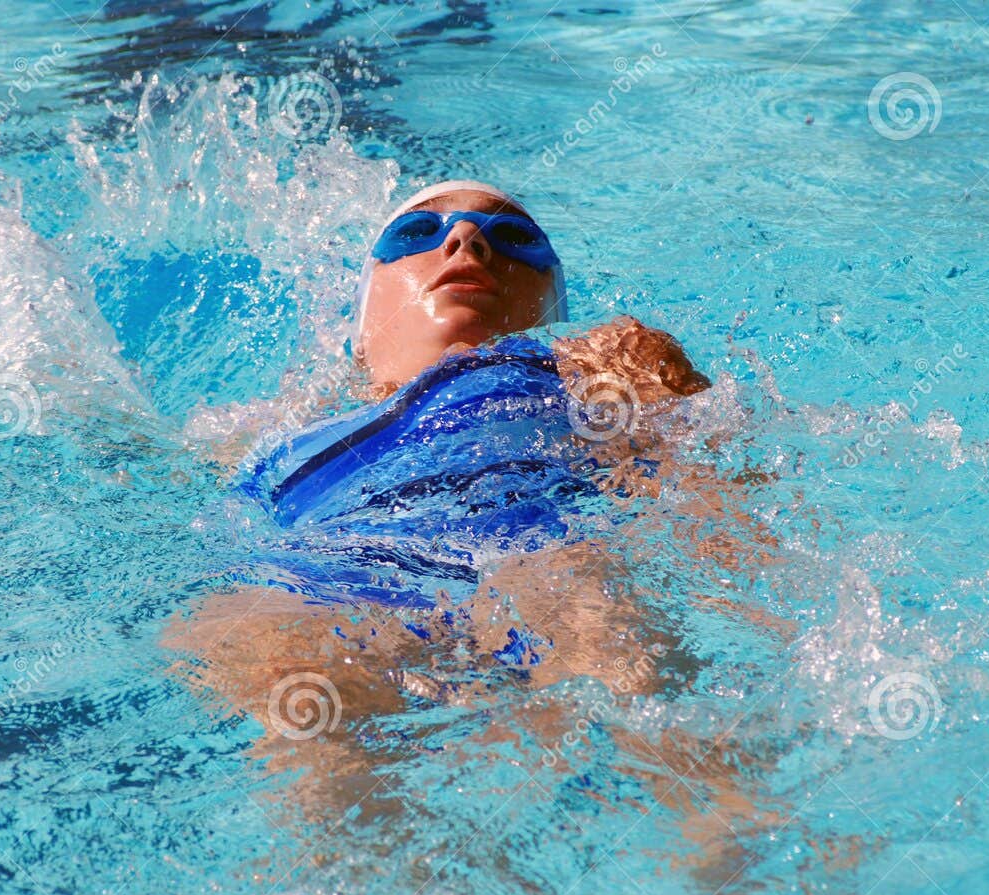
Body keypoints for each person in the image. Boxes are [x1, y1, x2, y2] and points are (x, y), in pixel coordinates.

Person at [164, 180, 764, 804]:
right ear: (360, 327)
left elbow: (704, 476)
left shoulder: (590, 362)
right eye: (416, 233)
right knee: (302, 723)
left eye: (515, 238)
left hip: (530, 561)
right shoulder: (270, 438)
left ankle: (732, 859)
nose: (465, 240)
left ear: (553, 304)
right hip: (323, 586)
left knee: (617, 656)